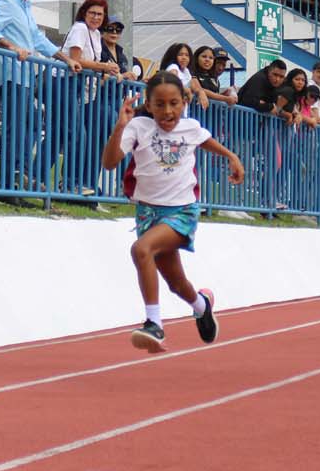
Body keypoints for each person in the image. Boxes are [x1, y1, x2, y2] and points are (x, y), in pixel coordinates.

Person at [101, 72, 245, 352]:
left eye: (174, 104)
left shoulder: (190, 127)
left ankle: (153, 324)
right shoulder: (138, 127)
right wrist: (120, 127)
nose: (168, 111)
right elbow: (109, 163)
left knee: (141, 250)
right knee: (176, 284)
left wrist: (232, 157)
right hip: (148, 213)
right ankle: (201, 306)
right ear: (149, 104)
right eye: (160, 104)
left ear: (183, 102)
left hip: (182, 210)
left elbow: (206, 141)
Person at [0, 0, 82, 190]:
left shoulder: (24, 7)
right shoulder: (6, 2)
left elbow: (38, 39)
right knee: (16, 127)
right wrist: (12, 46)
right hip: (9, 74)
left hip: (24, 76)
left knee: (32, 122)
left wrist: (67, 60)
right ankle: (10, 181)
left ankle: (21, 174)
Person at [63, 0, 119, 194]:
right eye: (92, 13)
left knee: (81, 136)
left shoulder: (95, 34)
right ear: (84, 13)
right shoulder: (79, 28)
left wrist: (105, 70)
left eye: (100, 14)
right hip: (67, 83)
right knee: (77, 135)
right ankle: (69, 183)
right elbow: (75, 60)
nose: (96, 17)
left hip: (84, 90)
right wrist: (103, 66)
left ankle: (78, 183)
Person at [160, 42, 207, 112]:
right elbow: (171, 82)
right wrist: (186, 90)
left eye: (187, 55)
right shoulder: (173, 68)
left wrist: (201, 93)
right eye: (180, 55)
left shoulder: (186, 71)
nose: (184, 58)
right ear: (174, 56)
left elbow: (194, 87)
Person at [99, 15, 143, 80]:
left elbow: (123, 77)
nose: (114, 32)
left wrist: (142, 82)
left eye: (118, 30)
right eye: (110, 29)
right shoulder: (97, 50)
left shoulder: (122, 55)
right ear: (102, 31)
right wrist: (123, 76)